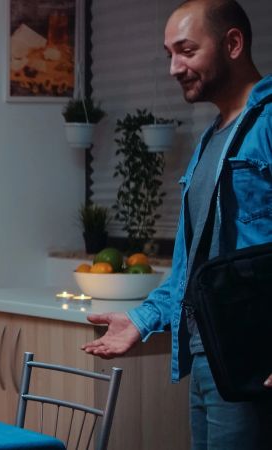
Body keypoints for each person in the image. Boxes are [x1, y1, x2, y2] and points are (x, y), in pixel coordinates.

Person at [82, 1, 271, 448]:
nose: (174, 67)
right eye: (169, 53)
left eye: (186, 51)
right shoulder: (211, 141)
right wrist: (142, 319)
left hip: (252, 356)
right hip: (207, 356)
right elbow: (195, 267)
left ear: (233, 43)